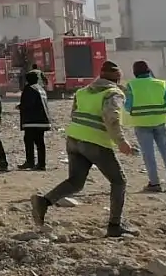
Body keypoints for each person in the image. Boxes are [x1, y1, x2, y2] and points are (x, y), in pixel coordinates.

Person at [31, 61, 137, 237]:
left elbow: (74, 114)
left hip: (74, 139)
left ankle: (43, 202)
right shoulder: (113, 93)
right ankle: (114, 225)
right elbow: (112, 118)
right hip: (96, 142)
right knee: (119, 181)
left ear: (100, 76)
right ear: (118, 78)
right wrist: (121, 141)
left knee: (75, 182)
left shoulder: (82, 92)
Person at [124, 60, 166, 192]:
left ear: (135, 72)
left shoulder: (131, 85)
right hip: (160, 122)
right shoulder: (161, 84)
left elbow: (127, 106)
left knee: (149, 154)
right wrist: (162, 110)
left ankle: (155, 184)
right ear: (149, 70)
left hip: (141, 124)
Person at [18, 69, 52, 170]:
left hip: (32, 121)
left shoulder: (29, 88)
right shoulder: (41, 89)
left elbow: (28, 104)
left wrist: (20, 107)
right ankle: (42, 164)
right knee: (40, 143)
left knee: (29, 141)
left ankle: (30, 162)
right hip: (43, 120)